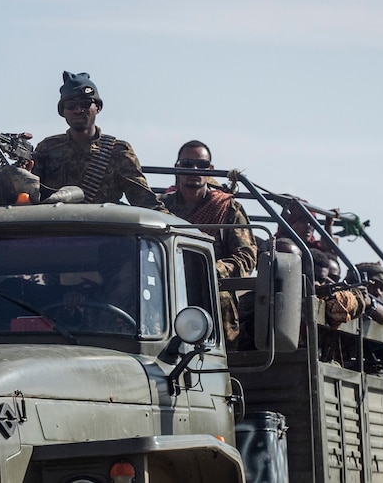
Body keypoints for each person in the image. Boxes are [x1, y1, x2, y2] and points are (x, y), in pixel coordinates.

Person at [160, 140, 257, 345]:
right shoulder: (161, 209)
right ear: (177, 167)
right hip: (165, 291)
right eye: (187, 164)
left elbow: (247, 257)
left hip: (212, 293)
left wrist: (210, 270)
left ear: (210, 169)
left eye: (201, 165)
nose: (194, 170)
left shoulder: (227, 208)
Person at [31, 71, 168, 212]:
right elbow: (30, 194)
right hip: (54, 228)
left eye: (85, 103)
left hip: (102, 229)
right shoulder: (48, 148)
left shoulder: (117, 151)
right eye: (71, 106)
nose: (78, 110)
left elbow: (144, 200)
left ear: (98, 107)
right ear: (63, 111)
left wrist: (178, 226)